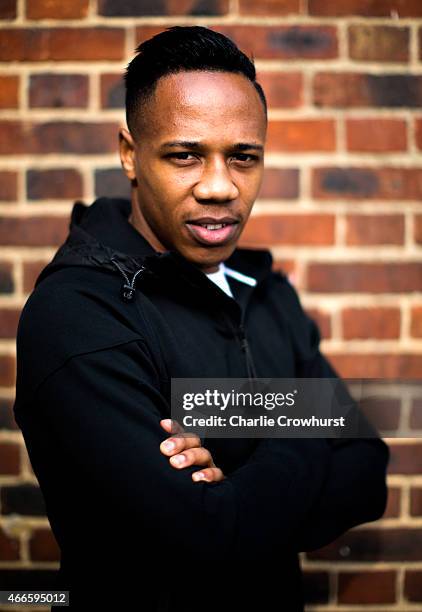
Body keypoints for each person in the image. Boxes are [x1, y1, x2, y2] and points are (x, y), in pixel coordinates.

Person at [13, 26, 389, 611]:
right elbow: (204, 538)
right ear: (130, 154)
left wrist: (246, 480)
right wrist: (306, 425)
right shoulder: (79, 318)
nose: (219, 187)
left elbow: (369, 469)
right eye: (184, 155)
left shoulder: (263, 289)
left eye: (243, 157)